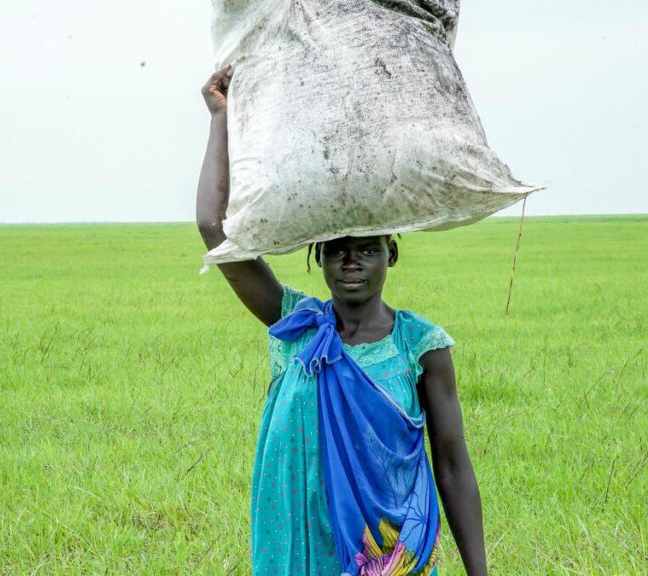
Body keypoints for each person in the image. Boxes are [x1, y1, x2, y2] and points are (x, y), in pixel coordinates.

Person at [197, 65, 487, 576]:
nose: (352, 262)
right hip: (301, 552)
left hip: (387, 554)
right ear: (318, 257)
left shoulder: (420, 346)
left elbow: (452, 465)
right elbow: (212, 228)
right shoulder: (297, 326)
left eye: (368, 249)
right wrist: (220, 117)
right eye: (337, 250)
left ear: (391, 254)